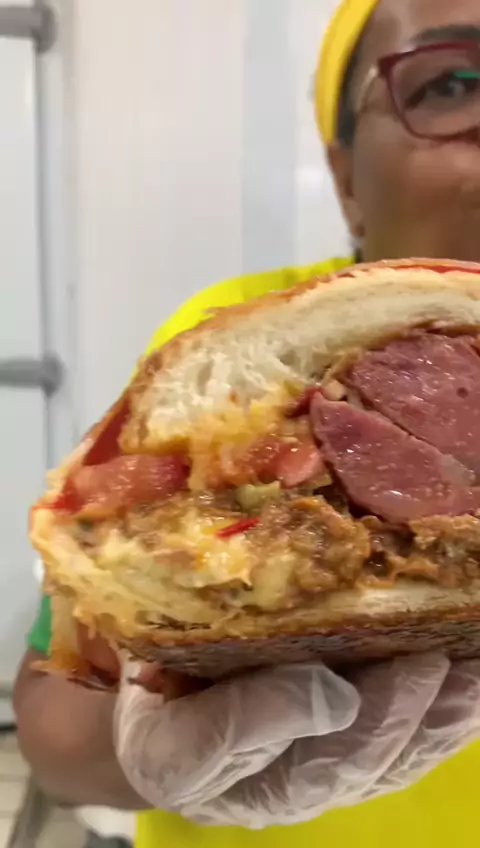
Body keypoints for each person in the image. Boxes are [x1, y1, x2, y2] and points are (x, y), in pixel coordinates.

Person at [13, 0, 480, 845]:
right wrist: (138, 754)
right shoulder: (217, 328)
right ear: (346, 178)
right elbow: (54, 725)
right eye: (453, 83)